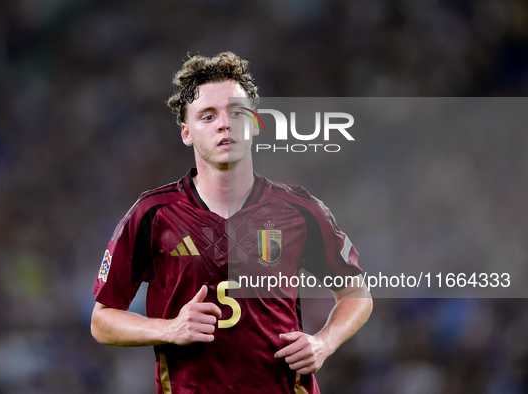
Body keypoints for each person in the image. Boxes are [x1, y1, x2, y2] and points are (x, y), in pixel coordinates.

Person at [91, 51, 373, 394]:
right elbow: (102, 320)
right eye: (208, 116)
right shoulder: (153, 213)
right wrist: (171, 329)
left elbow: (357, 293)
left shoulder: (299, 210)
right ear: (186, 133)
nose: (225, 123)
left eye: (236, 113)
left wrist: (324, 343)